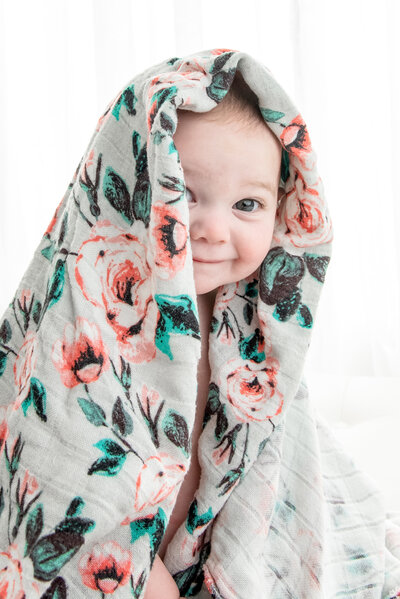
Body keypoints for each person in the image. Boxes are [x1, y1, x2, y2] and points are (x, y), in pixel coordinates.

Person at [0, 48, 399, 599]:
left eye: (247, 205)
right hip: (126, 565)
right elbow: (62, 481)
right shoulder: (84, 322)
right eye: (183, 195)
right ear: (132, 192)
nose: (214, 229)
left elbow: (280, 463)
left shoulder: (253, 332)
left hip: (203, 555)